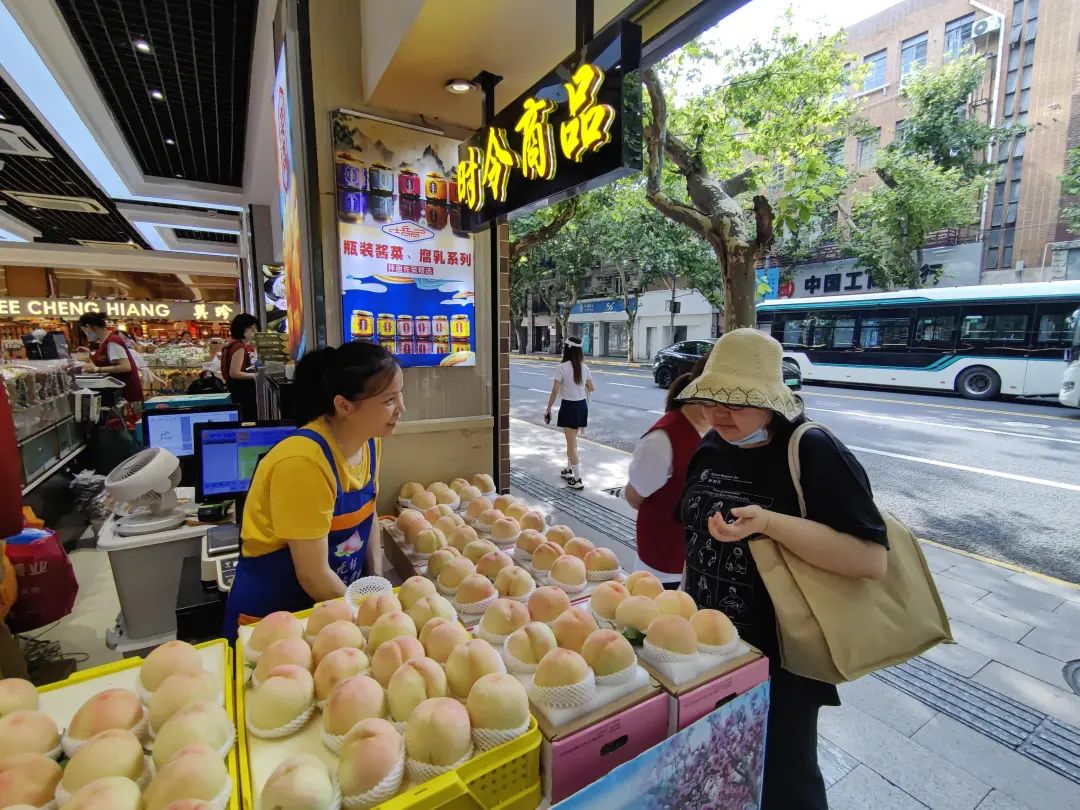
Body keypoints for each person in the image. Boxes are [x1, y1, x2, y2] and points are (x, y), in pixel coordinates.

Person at [674, 328, 888, 810]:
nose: (720, 413)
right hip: (707, 646)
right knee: (719, 770)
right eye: (712, 398)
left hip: (783, 656)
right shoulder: (712, 444)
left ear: (772, 400)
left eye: (739, 401)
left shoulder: (811, 450)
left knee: (786, 780)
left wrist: (770, 523)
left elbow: (870, 558)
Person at [222, 341, 404, 640]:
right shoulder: (303, 461)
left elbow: (369, 509)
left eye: (401, 395)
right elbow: (313, 574)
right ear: (344, 405)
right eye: (388, 400)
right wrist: (367, 621)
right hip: (279, 619)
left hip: (333, 606)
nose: (401, 408)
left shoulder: (370, 441)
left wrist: (375, 581)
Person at [624, 359, 709, 589]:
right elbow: (633, 496)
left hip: (699, 563)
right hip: (662, 566)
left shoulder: (718, 432)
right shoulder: (662, 440)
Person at [543, 338, 594, 490]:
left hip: (569, 407)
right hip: (581, 406)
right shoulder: (584, 368)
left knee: (571, 444)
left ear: (567, 349)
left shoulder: (562, 367)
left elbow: (555, 391)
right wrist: (579, 390)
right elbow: (591, 387)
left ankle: (577, 479)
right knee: (572, 442)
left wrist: (548, 408)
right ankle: (568, 469)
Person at [77, 312, 144, 405]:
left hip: (125, 394)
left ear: (89, 327)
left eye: (84, 330)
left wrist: (97, 369)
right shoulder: (107, 342)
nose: (86, 334)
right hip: (120, 392)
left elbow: (125, 367)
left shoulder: (112, 342)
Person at [222, 313, 259, 420]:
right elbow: (234, 373)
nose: (254, 332)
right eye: (251, 329)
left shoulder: (232, 344)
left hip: (236, 391)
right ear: (242, 329)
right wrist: (255, 376)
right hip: (243, 392)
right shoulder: (239, 347)